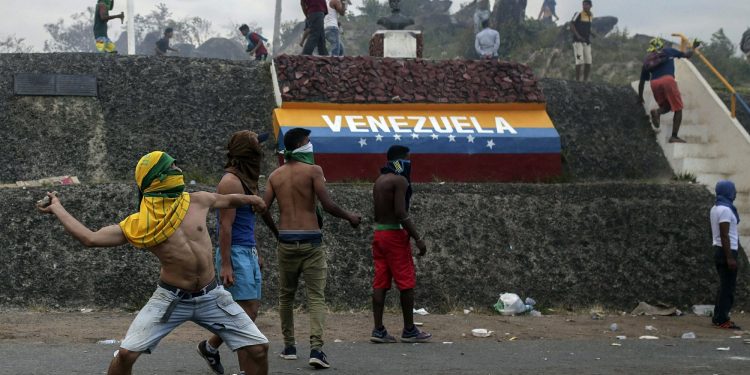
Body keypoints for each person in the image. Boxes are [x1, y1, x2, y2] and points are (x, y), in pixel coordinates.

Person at [38, 151, 270, 375]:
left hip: (212, 296)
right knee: (126, 355)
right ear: (156, 178)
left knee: (259, 349)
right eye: (172, 167)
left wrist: (253, 200)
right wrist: (57, 208)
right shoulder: (140, 224)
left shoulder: (196, 200)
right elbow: (90, 238)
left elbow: (227, 199)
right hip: (170, 299)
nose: (178, 169)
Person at [263, 127, 361, 369]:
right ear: (301, 144)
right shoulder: (314, 171)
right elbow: (327, 205)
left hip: (286, 240)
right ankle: (316, 349)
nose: (311, 144)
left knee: (286, 295)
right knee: (315, 296)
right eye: (308, 140)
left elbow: (262, 208)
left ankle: (289, 346)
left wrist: (277, 232)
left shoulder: (275, 176)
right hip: (311, 241)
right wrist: (350, 216)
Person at [197, 131, 278, 375]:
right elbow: (225, 225)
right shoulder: (230, 182)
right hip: (235, 254)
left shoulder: (245, 179)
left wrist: (257, 252)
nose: (260, 153)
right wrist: (227, 265)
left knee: (248, 312)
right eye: (256, 148)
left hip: (247, 252)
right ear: (247, 152)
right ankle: (242, 368)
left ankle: (210, 347)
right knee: (246, 313)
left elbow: (247, 224)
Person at [369, 145, 431, 344]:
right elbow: (401, 213)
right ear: (402, 160)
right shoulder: (400, 180)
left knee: (380, 283)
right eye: (408, 159)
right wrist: (418, 238)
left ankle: (378, 330)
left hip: (379, 234)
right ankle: (410, 330)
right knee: (406, 283)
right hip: (395, 235)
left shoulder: (379, 181)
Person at [637, 37, 694, 143]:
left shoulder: (648, 60)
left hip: (654, 83)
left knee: (667, 106)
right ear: (661, 45)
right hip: (668, 80)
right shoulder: (668, 51)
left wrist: (640, 97)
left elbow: (642, 81)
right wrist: (694, 47)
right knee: (678, 108)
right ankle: (674, 136)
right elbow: (687, 55)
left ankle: (657, 112)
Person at [710, 180, 742, 330]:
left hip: (721, 250)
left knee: (724, 286)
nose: (735, 193)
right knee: (728, 288)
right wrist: (730, 257)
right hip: (726, 251)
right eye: (733, 190)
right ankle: (722, 319)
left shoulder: (716, 208)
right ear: (727, 191)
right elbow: (724, 235)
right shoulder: (725, 210)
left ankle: (718, 317)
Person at [570, 0, 595, 81]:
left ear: (590, 6)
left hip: (586, 41)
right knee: (579, 60)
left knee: (588, 61)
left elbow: (588, 27)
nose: (584, 6)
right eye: (583, 4)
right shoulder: (578, 14)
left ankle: (585, 81)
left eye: (586, 5)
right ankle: (577, 81)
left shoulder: (591, 15)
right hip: (577, 41)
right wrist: (578, 36)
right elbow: (571, 25)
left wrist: (592, 33)